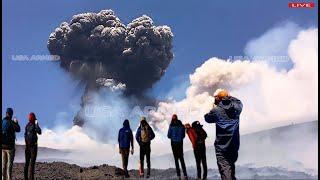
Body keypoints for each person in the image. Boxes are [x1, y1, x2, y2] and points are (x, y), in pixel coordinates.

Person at [204, 89, 243, 180]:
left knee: (225, 170)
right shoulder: (237, 108)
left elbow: (207, 118)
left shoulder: (216, 110)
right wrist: (227, 97)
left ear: (219, 99)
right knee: (230, 167)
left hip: (222, 147)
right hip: (234, 145)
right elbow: (238, 101)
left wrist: (213, 108)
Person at [2, 108, 21, 180]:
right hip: (10, 147)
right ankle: (9, 178)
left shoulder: (2, 121)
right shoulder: (11, 122)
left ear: (6, 113)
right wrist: (16, 122)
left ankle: (3, 178)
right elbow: (18, 129)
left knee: (3, 164)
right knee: (9, 164)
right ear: (11, 114)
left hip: (2, 146)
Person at [167, 114, 188, 180]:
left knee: (176, 160)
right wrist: (179, 138)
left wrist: (173, 138)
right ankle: (185, 175)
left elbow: (168, 135)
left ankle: (178, 176)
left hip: (173, 144)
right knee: (182, 159)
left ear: (172, 119)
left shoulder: (171, 126)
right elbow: (183, 136)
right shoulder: (181, 126)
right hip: (180, 144)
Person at [24, 112, 42, 180]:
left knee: (27, 163)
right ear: (34, 119)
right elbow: (39, 132)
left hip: (27, 147)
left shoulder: (27, 125)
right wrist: (37, 124)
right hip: (33, 147)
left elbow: (25, 135)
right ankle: (31, 178)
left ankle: (26, 178)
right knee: (32, 164)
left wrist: (26, 143)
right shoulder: (34, 125)